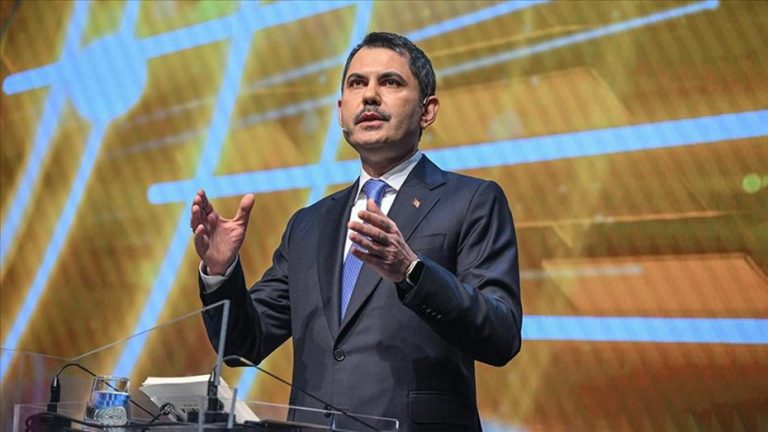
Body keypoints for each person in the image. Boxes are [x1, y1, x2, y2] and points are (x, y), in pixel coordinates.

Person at [190, 32, 522, 431]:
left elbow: (501, 335)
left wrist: (412, 271)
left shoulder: (471, 201)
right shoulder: (308, 224)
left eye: (390, 82)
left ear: (427, 111)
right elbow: (242, 345)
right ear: (340, 111)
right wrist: (220, 272)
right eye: (357, 83)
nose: (369, 96)